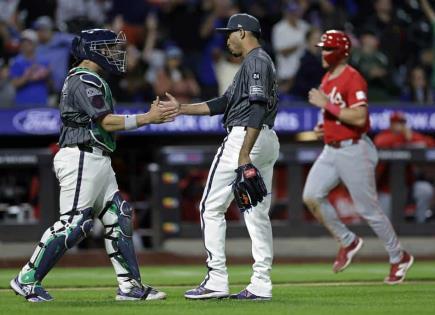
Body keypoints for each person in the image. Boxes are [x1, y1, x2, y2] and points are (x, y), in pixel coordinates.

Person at [10, 29, 177, 302]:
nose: (114, 52)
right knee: (73, 223)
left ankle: (130, 286)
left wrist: (146, 118)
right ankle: (27, 278)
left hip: (97, 157)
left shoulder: (93, 78)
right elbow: (106, 121)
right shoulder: (83, 78)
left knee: (118, 217)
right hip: (81, 156)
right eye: (108, 47)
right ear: (91, 50)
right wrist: (147, 117)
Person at [160, 13, 279, 300]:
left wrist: (243, 153)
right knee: (256, 213)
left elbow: (257, 106)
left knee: (210, 207)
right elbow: (224, 103)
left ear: (242, 32)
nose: (226, 39)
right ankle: (261, 283)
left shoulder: (255, 61)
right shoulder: (255, 62)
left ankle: (216, 279)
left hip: (246, 136)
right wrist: (182, 109)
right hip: (265, 138)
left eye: (229, 34)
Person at [302, 30, 413, 285]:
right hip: (332, 149)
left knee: (368, 210)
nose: (323, 53)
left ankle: (399, 256)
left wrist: (326, 106)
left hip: (355, 148)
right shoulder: (327, 78)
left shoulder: (353, 78)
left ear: (340, 52)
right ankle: (348, 240)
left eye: (327, 49)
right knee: (311, 195)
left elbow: (360, 117)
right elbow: (336, 116)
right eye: (323, 48)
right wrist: (325, 127)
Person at [374, 111, 435, 222]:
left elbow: (429, 143)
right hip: (387, 191)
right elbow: (380, 143)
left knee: (425, 190)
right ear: (391, 124)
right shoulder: (384, 136)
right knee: (384, 223)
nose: (400, 126)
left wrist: (408, 137)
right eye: (397, 122)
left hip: (408, 188)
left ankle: (420, 224)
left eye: (402, 123)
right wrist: (403, 138)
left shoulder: (409, 135)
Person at [9, 29, 50, 106]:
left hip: (41, 101)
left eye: (28, 42)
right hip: (22, 103)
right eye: (23, 42)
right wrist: (28, 76)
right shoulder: (17, 62)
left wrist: (48, 75)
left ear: (35, 44)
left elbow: (50, 84)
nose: (25, 44)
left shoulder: (44, 61)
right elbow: (15, 84)